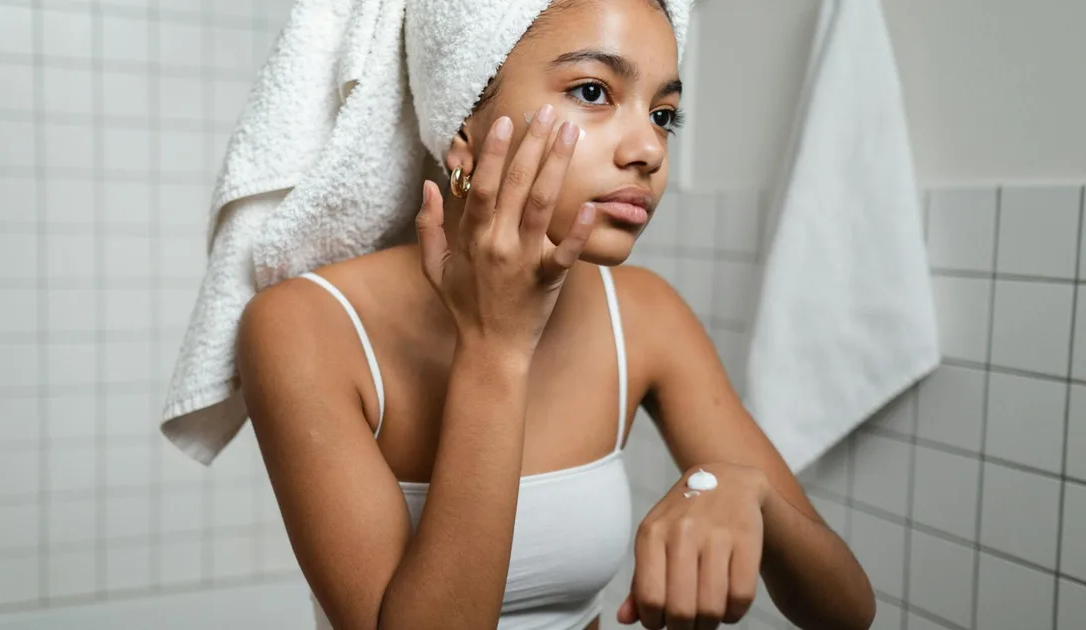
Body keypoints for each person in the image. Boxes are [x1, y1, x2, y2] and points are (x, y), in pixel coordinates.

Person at [235, 0, 875, 628]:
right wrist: (496, 348)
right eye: (594, 91)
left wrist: (751, 492)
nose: (648, 147)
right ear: (464, 125)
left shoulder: (646, 315)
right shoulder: (304, 326)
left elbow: (848, 610)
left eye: (663, 114)